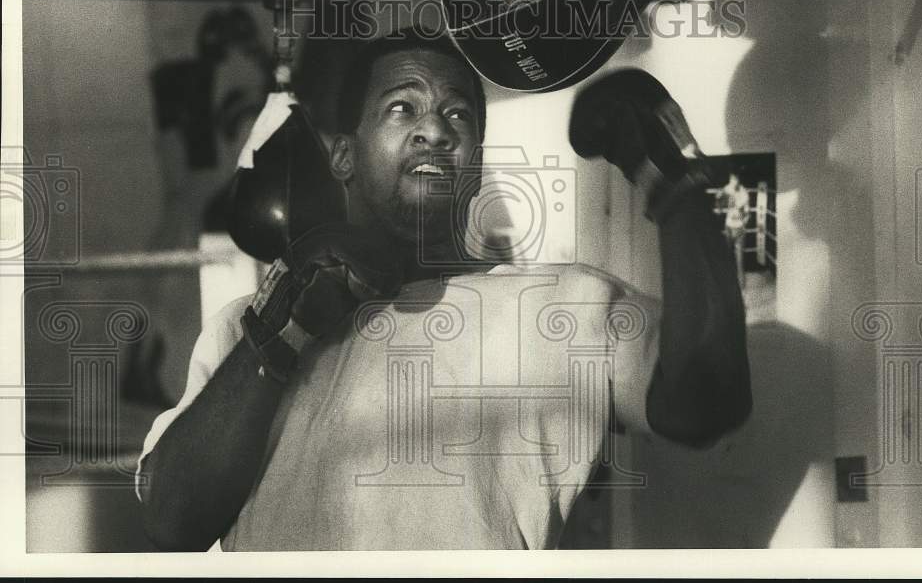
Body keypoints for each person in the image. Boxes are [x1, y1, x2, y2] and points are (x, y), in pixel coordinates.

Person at [136, 29, 751, 551]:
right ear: (344, 157)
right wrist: (281, 333)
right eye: (401, 108)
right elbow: (172, 522)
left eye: (457, 114)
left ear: (477, 161)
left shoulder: (559, 310)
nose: (434, 126)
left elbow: (706, 405)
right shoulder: (249, 324)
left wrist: (679, 191)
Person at [719, 172, 751, 288]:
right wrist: (721, 199)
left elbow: (747, 213)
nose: (733, 182)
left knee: (739, 261)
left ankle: (741, 289)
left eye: (735, 179)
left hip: (739, 229)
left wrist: (743, 222)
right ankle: (727, 286)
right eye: (731, 179)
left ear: (739, 180)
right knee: (726, 257)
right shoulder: (727, 189)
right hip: (728, 227)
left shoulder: (743, 193)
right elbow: (720, 206)